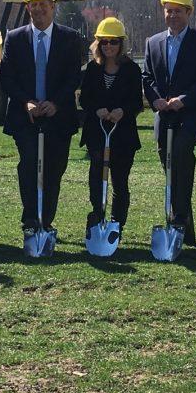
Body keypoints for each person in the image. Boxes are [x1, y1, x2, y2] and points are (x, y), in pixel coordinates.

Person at [0, 0, 84, 235]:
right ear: (28, 8)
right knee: (28, 165)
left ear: (52, 6)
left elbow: (74, 76)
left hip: (58, 117)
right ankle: (30, 220)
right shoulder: (14, 39)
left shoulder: (70, 38)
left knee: (54, 169)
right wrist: (26, 100)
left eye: (42, 5)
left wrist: (56, 103)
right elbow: (7, 77)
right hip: (25, 117)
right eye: (33, 5)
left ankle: (45, 220)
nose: (38, 10)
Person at [142, 0, 196, 245]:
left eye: (177, 11)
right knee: (170, 167)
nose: (172, 15)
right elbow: (148, 77)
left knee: (181, 158)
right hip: (164, 117)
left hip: (191, 115)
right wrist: (156, 100)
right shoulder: (153, 43)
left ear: (189, 12)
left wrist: (183, 100)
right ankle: (182, 224)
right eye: (168, 11)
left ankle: (179, 220)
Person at [79, 17, 143, 234]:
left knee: (120, 182)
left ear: (121, 44)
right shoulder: (92, 69)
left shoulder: (132, 70)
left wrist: (121, 111)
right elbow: (85, 98)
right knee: (96, 178)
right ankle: (98, 214)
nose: (108, 46)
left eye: (113, 42)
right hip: (97, 133)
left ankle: (117, 223)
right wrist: (97, 109)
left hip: (123, 135)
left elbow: (136, 101)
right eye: (104, 42)